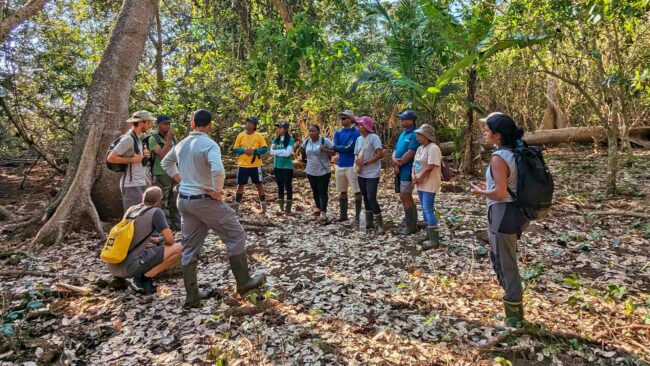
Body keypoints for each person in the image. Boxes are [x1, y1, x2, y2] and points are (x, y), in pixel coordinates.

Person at [162, 109, 265, 308]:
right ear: (209, 126)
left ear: (192, 124)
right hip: (204, 199)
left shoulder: (182, 143)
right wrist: (217, 191)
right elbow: (218, 170)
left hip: (184, 200)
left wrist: (182, 181)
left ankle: (192, 296)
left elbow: (166, 162)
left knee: (190, 247)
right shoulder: (209, 144)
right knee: (236, 235)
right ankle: (244, 282)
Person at [470, 112, 528, 327]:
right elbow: (507, 186)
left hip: (503, 213)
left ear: (497, 135)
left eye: (487, 131)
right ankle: (513, 310)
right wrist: (490, 189)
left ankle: (514, 317)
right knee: (503, 260)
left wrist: (481, 192)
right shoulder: (514, 152)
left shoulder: (499, 157)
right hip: (514, 211)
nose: (485, 134)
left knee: (506, 263)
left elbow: (501, 192)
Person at [107, 186, 183, 295]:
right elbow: (170, 241)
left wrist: (153, 240)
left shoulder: (131, 209)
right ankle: (144, 278)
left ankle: (123, 278)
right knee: (180, 247)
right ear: (159, 201)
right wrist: (162, 246)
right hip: (129, 267)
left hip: (113, 265)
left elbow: (128, 234)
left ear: (143, 197)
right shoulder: (156, 212)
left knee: (152, 248)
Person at [107, 110, 154, 213]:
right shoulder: (129, 139)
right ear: (141, 122)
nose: (150, 125)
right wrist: (132, 160)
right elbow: (111, 158)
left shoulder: (137, 139)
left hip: (141, 182)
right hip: (131, 184)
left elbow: (137, 159)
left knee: (141, 216)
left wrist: (144, 156)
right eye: (149, 122)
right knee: (132, 217)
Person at [412, 124, 443, 250]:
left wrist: (420, 177)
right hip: (420, 182)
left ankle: (434, 240)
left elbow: (431, 166)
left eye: (419, 135)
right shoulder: (420, 148)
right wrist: (414, 175)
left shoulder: (433, 148)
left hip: (429, 182)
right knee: (424, 209)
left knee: (428, 208)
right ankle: (429, 234)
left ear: (426, 136)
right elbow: (415, 164)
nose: (417, 137)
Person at [147, 114, 180, 229]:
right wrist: (168, 140)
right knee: (162, 200)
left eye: (169, 124)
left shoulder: (173, 138)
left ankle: (177, 224)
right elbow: (161, 154)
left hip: (174, 172)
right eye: (165, 124)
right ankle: (163, 226)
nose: (167, 126)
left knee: (175, 198)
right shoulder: (153, 139)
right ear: (158, 125)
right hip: (161, 172)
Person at [353, 116, 384, 234]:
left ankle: (380, 224)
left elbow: (380, 154)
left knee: (371, 197)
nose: (358, 127)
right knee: (365, 197)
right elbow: (356, 153)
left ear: (365, 126)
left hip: (372, 173)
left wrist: (366, 162)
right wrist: (357, 162)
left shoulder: (374, 138)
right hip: (361, 173)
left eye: (360, 125)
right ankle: (369, 222)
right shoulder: (358, 139)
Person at [392, 109, 421, 235]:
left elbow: (411, 152)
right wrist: (394, 159)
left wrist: (399, 163)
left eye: (403, 119)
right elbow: (396, 149)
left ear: (410, 121)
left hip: (407, 169)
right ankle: (411, 221)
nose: (401, 121)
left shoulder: (415, 134)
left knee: (405, 195)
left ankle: (411, 225)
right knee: (403, 195)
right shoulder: (403, 133)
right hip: (399, 168)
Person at [232, 116, 268, 213]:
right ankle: (236, 205)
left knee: (259, 185)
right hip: (243, 165)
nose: (247, 123)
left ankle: (263, 206)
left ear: (254, 125)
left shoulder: (259, 136)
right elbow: (235, 148)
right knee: (240, 185)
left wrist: (255, 152)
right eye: (247, 121)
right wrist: (243, 150)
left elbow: (265, 148)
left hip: (256, 165)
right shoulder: (240, 135)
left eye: (250, 122)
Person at [333, 110, 363, 224]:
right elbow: (334, 147)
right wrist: (341, 148)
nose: (342, 120)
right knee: (342, 191)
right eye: (341, 118)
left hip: (352, 165)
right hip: (340, 165)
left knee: (357, 191)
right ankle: (343, 215)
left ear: (350, 119)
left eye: (344, 118)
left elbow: (350, 148)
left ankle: (358, 216)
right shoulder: (338, 132)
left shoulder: (356, 133)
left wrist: (340, 148)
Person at [301, 124, 335, 222]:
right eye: (310, 131)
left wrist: (324, 150)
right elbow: (301, 148)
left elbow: (333, 153)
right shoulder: (307, 141)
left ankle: (323, 211)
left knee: (322, 191)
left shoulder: (325, 141)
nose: (311, 133)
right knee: (315, 191)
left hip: (323, 171)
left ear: (319, 131)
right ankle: (319, 208)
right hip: (310, 171)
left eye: (313, 131)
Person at [269, 121, 295, 213]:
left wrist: (279, 152)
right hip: (277, 166)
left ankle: (288, 208)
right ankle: (281, 207)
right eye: (278, 127)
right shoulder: (275, 139)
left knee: (288, 186)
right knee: (280, 186)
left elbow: (287, 154)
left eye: (280, 127)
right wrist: (283, 151)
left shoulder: (290, 139)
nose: (278, 129)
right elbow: (271, 152)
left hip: (287, 167)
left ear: (286, 129)